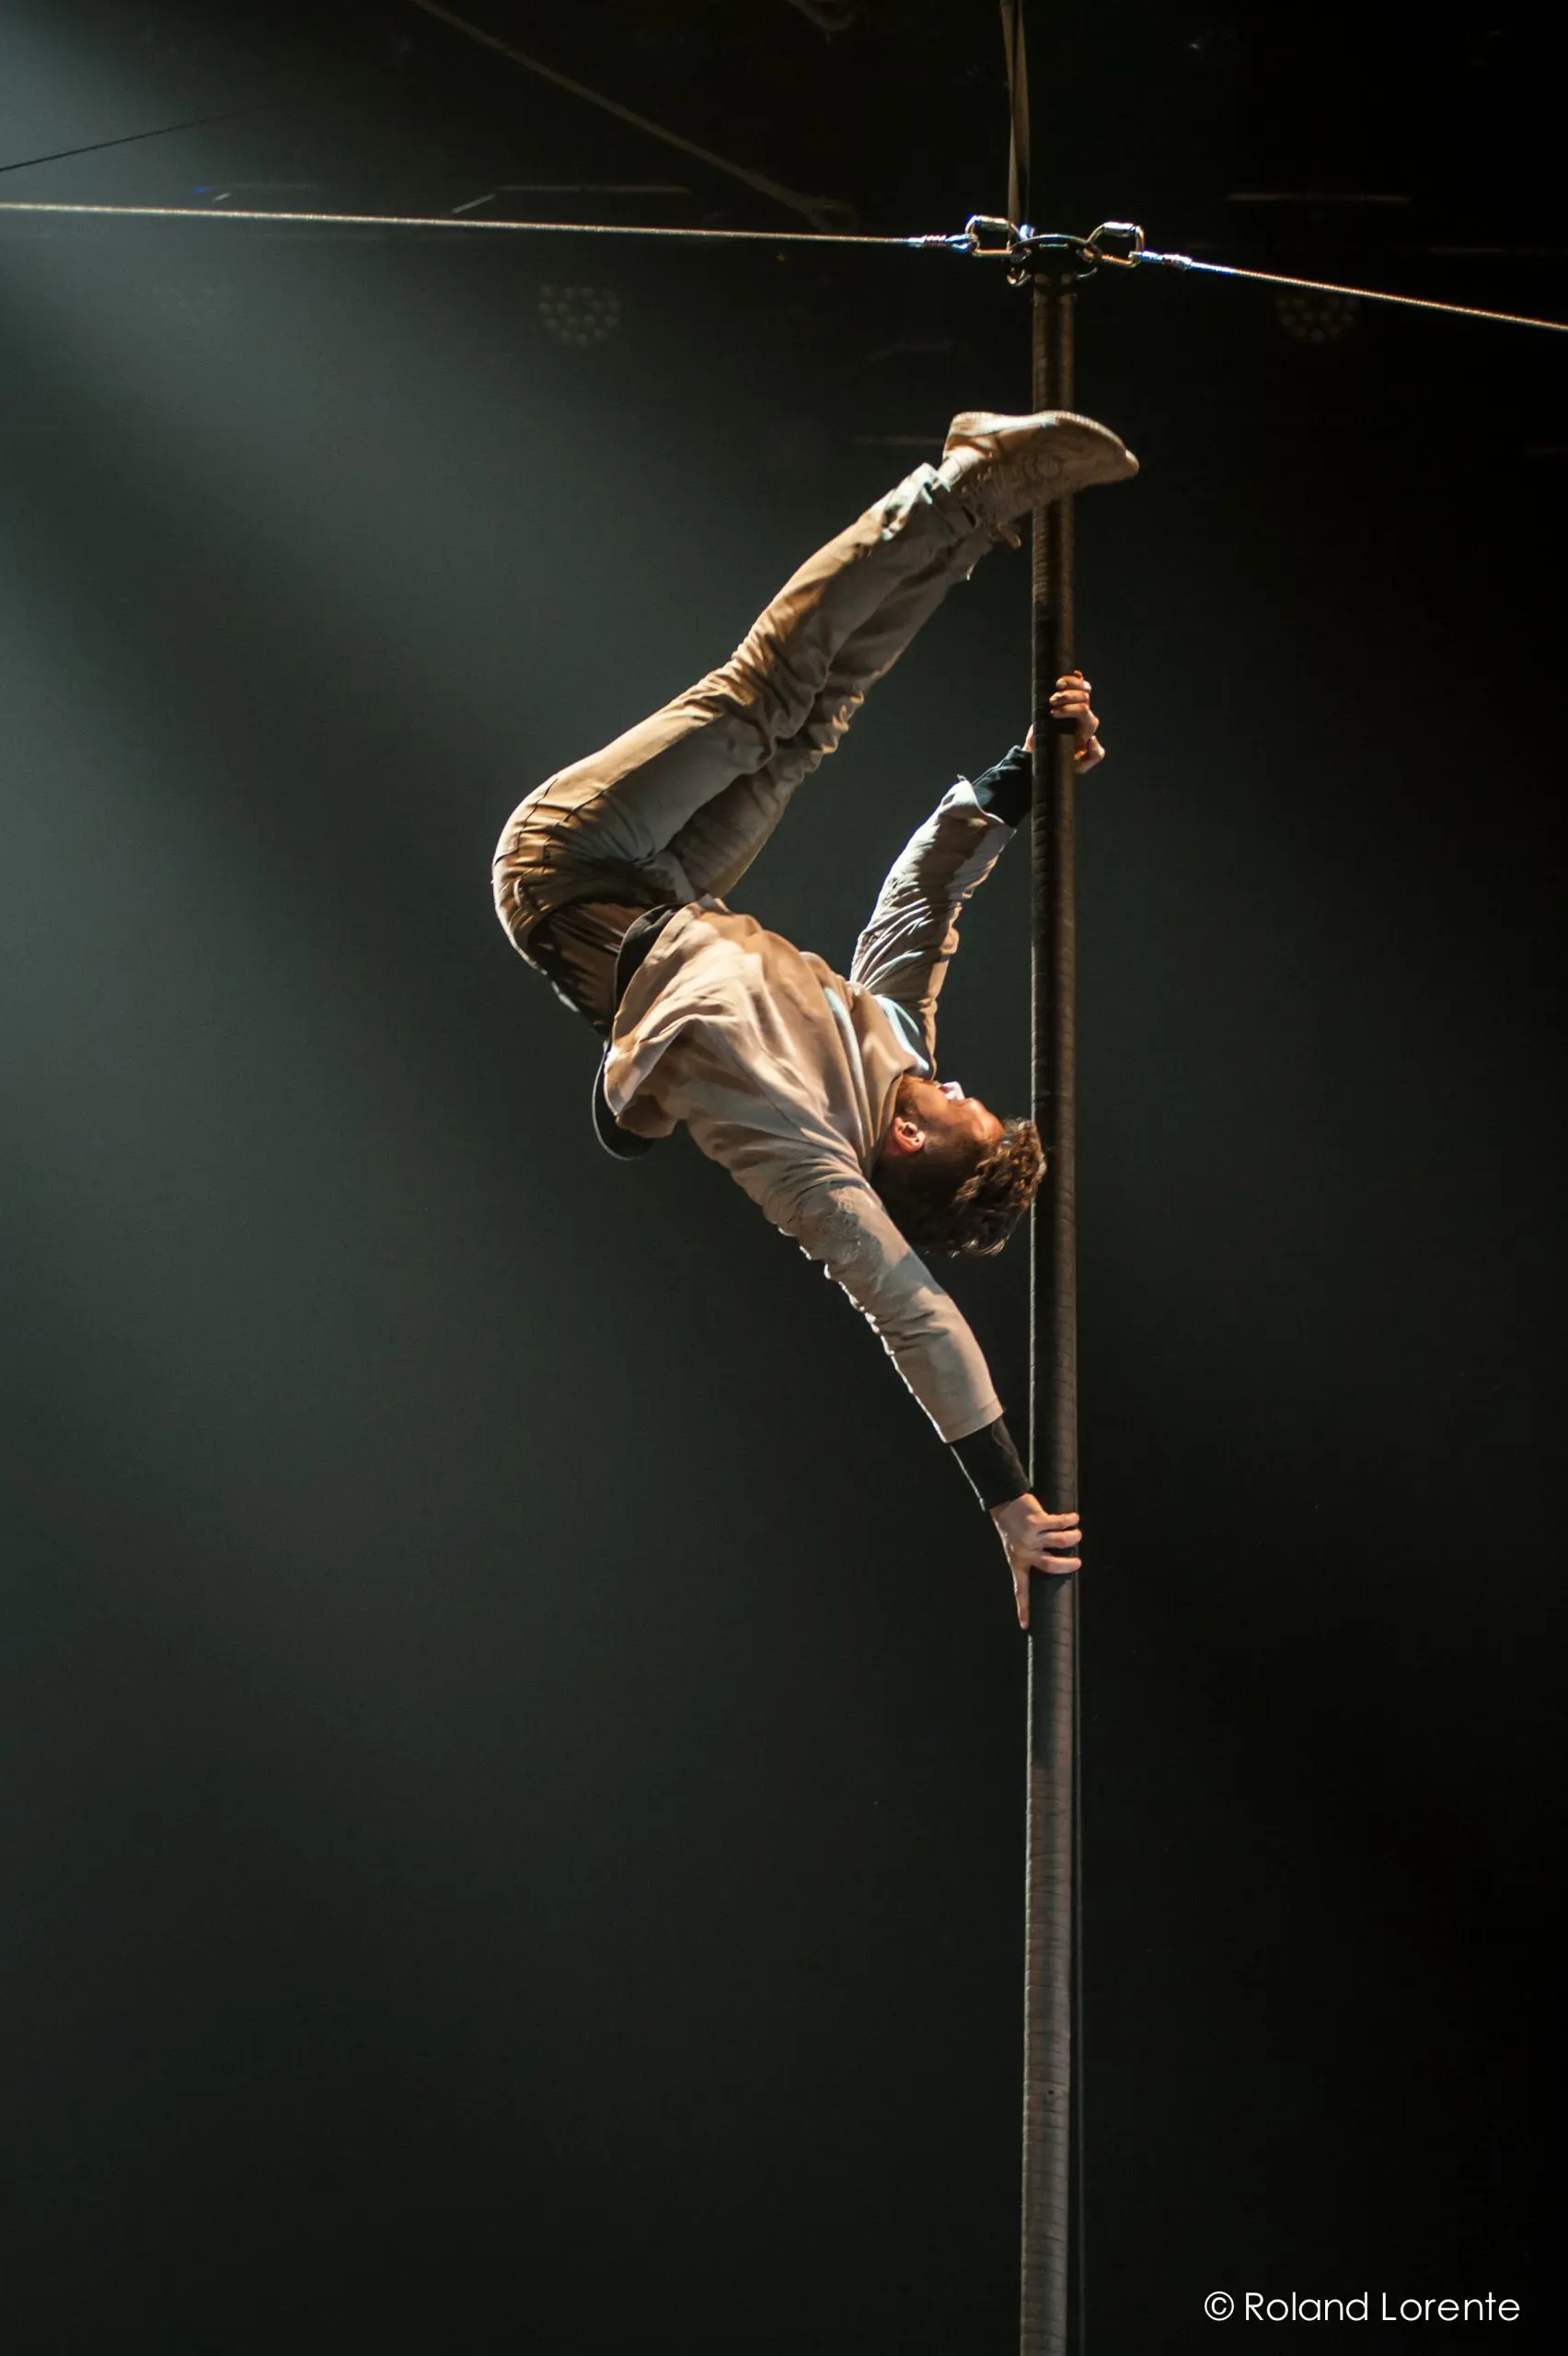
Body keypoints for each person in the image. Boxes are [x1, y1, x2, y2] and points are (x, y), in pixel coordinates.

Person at [492, 409, 1137, 1625]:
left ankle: (955, 489)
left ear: (906, 1142)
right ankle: (977, 512)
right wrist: (1025, 775)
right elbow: (922, 896)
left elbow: (912, 1311)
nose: (953, 1082)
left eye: (957, 1105)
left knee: (761, 699)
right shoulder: (897, 1047)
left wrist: (1007, 1499)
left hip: (564, 873)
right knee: (815, 716)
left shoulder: (809, 1167)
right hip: (673, 892)